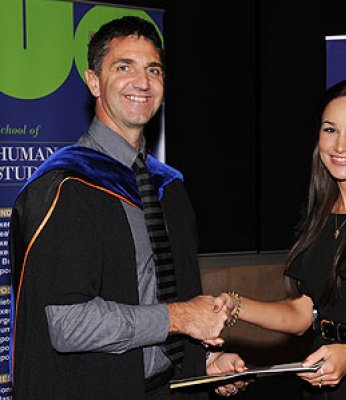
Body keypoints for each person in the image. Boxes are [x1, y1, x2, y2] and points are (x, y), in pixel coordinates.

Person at [9, 16, 245, 400]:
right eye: (124, 67)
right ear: (93, 82)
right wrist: (182, 317)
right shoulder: (66, 187)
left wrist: (199, 365)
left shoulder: (168, 188)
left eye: (153, 69)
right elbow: (68, 324)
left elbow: (160, 295)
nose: (142, 82)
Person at [216, 76, 346, 399]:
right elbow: (304, 314)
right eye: (330, 130)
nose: (340, 146)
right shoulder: (320, 213)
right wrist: (235, 304)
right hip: (322, 378)